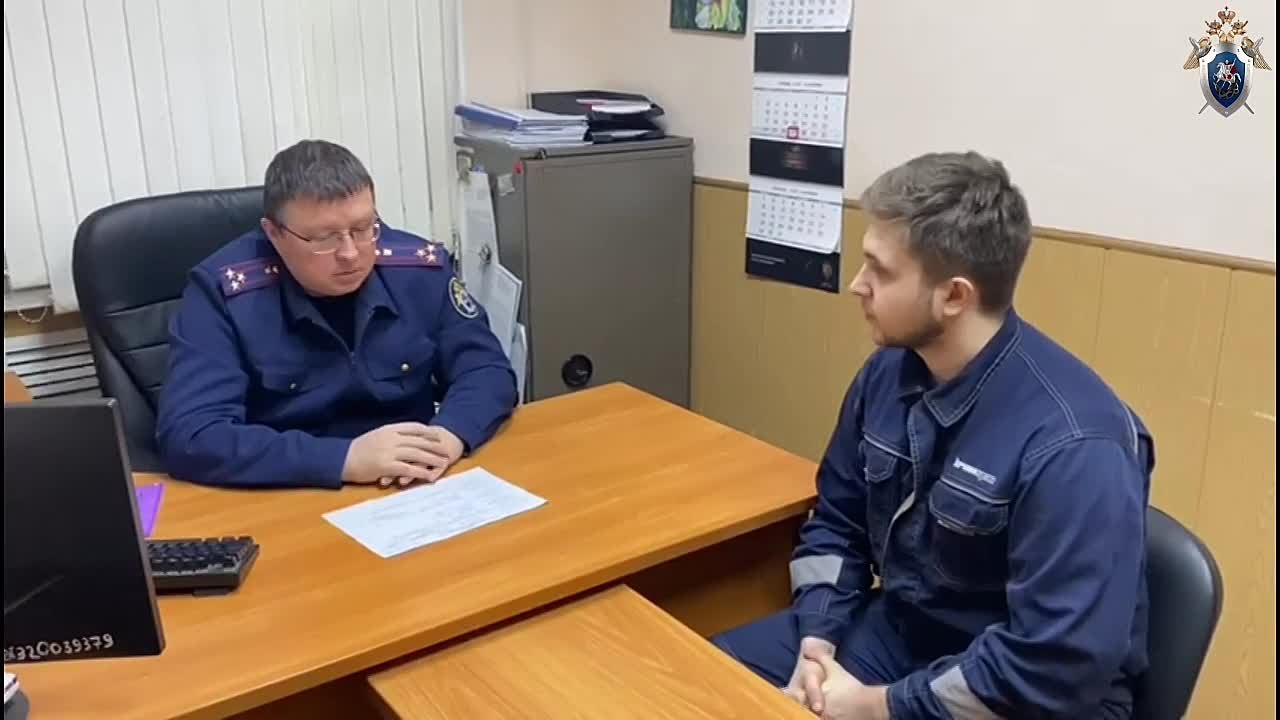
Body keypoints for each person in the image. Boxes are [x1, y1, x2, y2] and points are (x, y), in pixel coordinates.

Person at [713, 152, 1154, 719]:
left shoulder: (1076, 444)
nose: (857, 285)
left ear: (954, 297)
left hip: (1028, 696)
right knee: (695, 681)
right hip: (904, 636)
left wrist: (877, 707)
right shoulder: (890, 372)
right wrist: (818, 640)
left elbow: (1055, 668)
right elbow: (839, 522)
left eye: (880, 271)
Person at [156, 140, 518, 490]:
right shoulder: (224, 293)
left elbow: (486, 369)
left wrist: (448, 436)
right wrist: (344, 459)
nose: (350, 253)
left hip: (413, 483)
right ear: (274, 234)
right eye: (324, 238)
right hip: (291, 489)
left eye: (363, 228)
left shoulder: (418, 270)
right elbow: (191, 434)